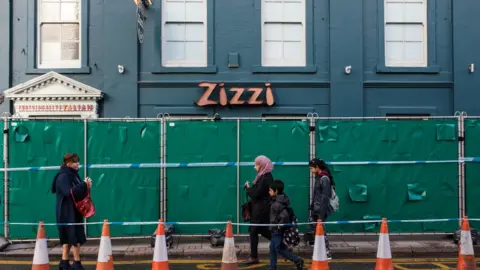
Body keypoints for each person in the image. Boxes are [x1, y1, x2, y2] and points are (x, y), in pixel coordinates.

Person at [51, 153, 92, 270]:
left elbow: (77, 192)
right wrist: (84, 184)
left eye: (78, 162)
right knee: (74, 237)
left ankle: (64, 262)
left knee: (69, 238)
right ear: (68, 163)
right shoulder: (63, 176)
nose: (77, 164)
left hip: (73, 210)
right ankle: (77, 262)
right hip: (66, 211)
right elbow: (69, 192)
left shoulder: (73, 175)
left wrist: (86, 186)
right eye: (75, 162)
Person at [268, 180, 304, 270]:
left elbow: (285, 216)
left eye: (270, 190)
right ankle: (272, 267)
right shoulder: (280, 199)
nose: (269, 191)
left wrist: (278, 225)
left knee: (278, 248)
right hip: (275, 228)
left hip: (277, 228)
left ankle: (297, 260)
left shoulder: (277, 204)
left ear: (276, 191)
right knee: (272, 247)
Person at [244, 155, 274, 264]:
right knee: (260, 230)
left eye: (256, 165)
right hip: (260, 209)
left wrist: (248, 189)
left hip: (261, 209)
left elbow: (256, 193)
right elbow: (257, 191)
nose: (254, 167)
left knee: (255, 230)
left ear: (262, 166)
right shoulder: (263, 176)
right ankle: (283, 244)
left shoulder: (266, 178)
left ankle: (254, 257)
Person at [309, 158, 334, 260]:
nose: (311, 170)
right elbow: (316, 194)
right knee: (317, 231)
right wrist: (312, 205)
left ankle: (327, 253)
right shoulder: (318, 177)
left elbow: (325, 198)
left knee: (321, 232)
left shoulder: (324, 179)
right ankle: (320, 251)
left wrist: (321, 214)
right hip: (316, 208)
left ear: (317, 167)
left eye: (311, 168)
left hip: (321, 210)